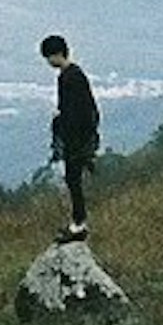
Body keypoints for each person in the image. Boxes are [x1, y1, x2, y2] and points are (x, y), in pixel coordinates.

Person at [41, 32, 99, 243]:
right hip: (80, 139)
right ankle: (77, 222)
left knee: (73, 182)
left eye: (49, 57)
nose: (48, 62)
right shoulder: (75, 75)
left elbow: (77, 112)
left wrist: (65, 129)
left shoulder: (70, 78)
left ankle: (79, 224)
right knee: (73, 181)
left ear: (56, 54)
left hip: (76, 140)